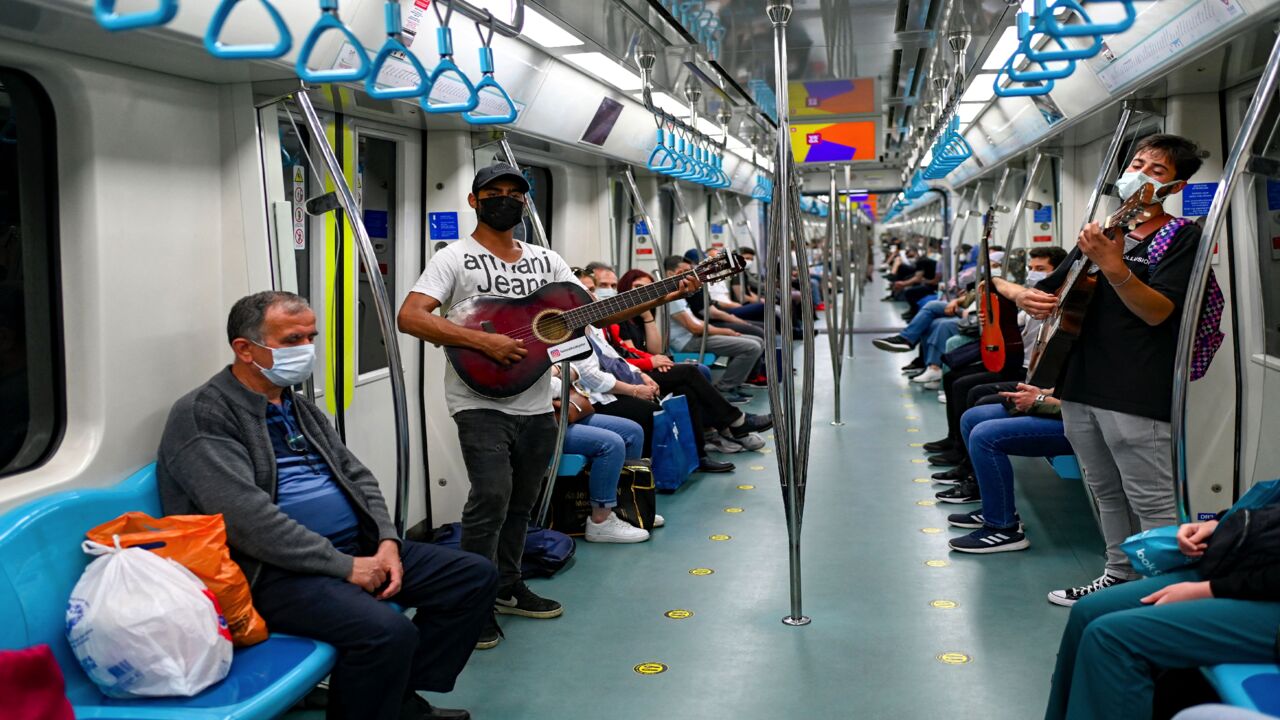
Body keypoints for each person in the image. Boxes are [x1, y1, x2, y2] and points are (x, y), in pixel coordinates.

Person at [397, 164, 699, 647]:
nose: (505, 201)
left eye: (515, 194)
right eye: (493, 193)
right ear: (474, 202)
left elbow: (593, 312)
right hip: (479, 400)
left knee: (524, 501)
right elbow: (411, 317)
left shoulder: (545, 260)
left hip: (538, 401)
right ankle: (470, 603)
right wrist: (484, 342)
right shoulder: (455, 258)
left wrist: (664, 292)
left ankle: (508, 586)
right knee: (491, 497)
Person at [157, 291, 494, 720]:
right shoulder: (205, 413)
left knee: (472, 577)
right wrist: (345, 567)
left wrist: (388, 541)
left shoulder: (295, 405)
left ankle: (397, 699)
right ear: (245, 349)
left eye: (310, 338)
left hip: (351, 548)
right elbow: (245, 519)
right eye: (291, 340)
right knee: (384, 633)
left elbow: (357, 476)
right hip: (270, 572)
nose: (306, 351)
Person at [1004, 134, 1204, 606]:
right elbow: (1049, 292)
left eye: (1156, 170)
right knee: (1105, 491)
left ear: (1173, 187)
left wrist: (1115, 266)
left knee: (1151, 498)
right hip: (1081, 383)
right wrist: (1022, 296)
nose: (1140, 173)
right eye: (1137, 163)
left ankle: (1164, 593)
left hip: (1136, 386)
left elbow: (1158, 312)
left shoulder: (1181, 236)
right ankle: (1118, 576)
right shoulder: (1101, 232)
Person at [1045, 514, 1280, 720]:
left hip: (1263, 591)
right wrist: (1219, 522)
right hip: (1247, 564)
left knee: (1112, 639)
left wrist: (1210, 590)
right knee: (1087, 611)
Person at [945, 383, 1072, 552]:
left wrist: (1041, 400)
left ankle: (1003, 529)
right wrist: (1043, 393)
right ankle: (998, 509)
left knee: (985, 436)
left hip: (1079, 421)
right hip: (1063, 407)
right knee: (971, 418)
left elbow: (1093, 406)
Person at [548, 369, 653, 543]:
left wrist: (559, 372)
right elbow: (539, 386)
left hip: (564, 408)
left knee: (632, 432)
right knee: (611, 444)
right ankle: (600, 521)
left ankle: (626, 508)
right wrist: (561, 379)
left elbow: (574, 370)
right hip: (541, 420)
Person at [663, 255, 765, 402]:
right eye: (684, 271)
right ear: (671, 274)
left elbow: (695, 321)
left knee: (757, 340)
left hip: (697, 335)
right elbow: (694, 328)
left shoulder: (680, 294)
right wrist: (724, 331)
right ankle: (724, 388)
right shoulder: (670, 297)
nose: (689, 275)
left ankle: (734, 383)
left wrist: (716, 329)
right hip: (688, 341)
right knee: (752, 346)